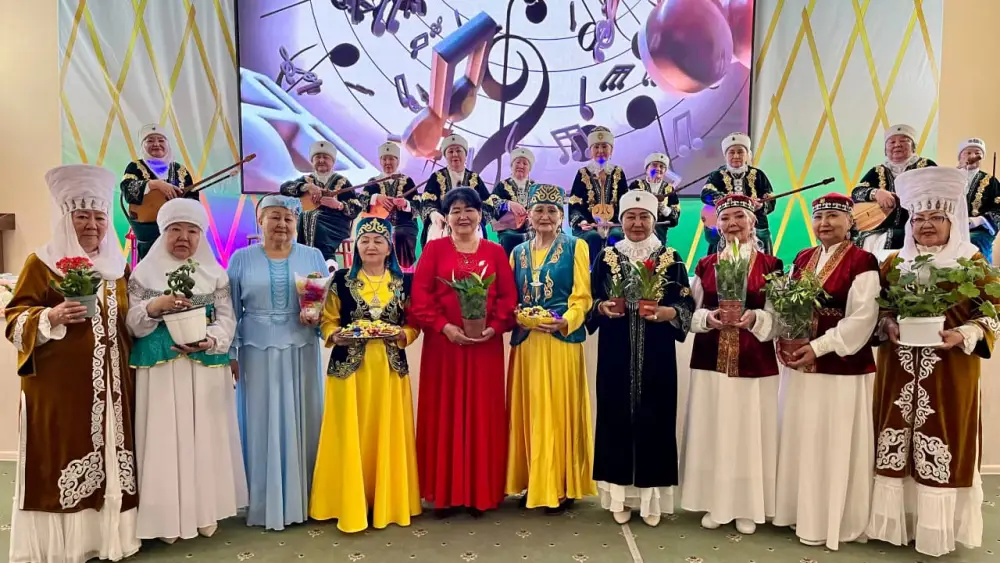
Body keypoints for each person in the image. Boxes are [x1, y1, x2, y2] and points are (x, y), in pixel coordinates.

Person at [4, 164, 138, 563]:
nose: (92, 225)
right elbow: (14, 319)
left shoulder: (117, 268)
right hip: (59, 387)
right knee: (62, 453)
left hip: (113, 389)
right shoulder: (42, 263)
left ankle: (112, 539)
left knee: (112, 456)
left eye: (99, 216)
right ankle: (68, 546)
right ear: (66, 218)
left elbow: (129, 320)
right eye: (82, 216)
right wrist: (50, 316)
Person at [868, 167, 998, 557]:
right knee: (893, 437)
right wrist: (887, 322)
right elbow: (881, 307)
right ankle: (898, 525)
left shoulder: (970, 260)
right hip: (898, 368)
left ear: (951, 220)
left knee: (946, 435)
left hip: (951, 369)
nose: (926, 225)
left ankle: (936, 529)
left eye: (936, 217)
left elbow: (992, 310)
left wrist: (965, 333)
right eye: (919, 218)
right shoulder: (895, 262)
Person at [127, 198, 247, 543]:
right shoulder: (143, 273)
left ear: (201, 236)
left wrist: (211, 340)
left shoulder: (215, 273)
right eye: (175, 230)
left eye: (192, 231)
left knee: (205, 436)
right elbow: (131, 322)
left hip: (205, 366)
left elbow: (227, 319)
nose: (184, 237)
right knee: (164, 437)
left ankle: (205, 511)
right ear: (163, 232)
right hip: (160, 369)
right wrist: (154, 307)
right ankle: (166, 518)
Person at [770, 193, 880, 550]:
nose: (825, 223)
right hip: (800, 365)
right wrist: (784, 338)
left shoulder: (863, 260)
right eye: (819, 217)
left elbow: (863, 318)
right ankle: (798, 512)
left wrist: (818, 347)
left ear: (850, 222)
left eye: (833, 216)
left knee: (832, 441)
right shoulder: (803, 257)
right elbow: (789, 306)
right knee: (801, 436)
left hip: (839, 367)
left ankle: (831, 520)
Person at [588, 190, 694, 526]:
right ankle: (618, 496)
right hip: (615, 350)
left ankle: (651, 501)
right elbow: (590, 298)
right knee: (614, 416)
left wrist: (668, 313)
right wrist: (601, 308)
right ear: (621, 221)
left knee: (656, 417)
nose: (637, 223)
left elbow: (686, 303)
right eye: (630, 217)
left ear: (654, 220)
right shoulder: (606, 256)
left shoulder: (671, 257)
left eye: (644, 217)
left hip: (658, 351)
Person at [310, 217, 422, 532]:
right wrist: (334, 335)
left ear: (389, 248)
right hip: (349, 371)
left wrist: (402, 334)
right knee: (348, 432)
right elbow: (328, 320)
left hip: (389, 370)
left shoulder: (404, 282)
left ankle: (387, 502)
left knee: (387, 432)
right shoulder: (341, 280)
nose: (371, 246)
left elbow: (413, 323)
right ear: (356, 246)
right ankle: (346, 503)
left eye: (378, 241)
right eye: (364, 240)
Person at [410, 187, 517, 517]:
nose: (463, 216)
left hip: (485, 348)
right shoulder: (434, 250)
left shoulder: (495, 252)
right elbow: (420, 298)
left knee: (483, 414)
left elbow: (508, 298)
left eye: (469, 209)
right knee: (443, 413)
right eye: (455, 210)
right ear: (446, 217)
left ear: (480, 214)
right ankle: (443, 494)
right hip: (444, 348)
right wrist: (444, 327)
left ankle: (479, 493)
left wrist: (494, 328)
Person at [680, 194, 783, 535]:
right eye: (725, 218)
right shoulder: (705, 265)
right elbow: (690, 312)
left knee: (748, 432)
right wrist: (707, 318)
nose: (732, 223)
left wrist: (755, 318)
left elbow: (779, 317)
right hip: (711, 359)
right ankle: (715, 501)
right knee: (714, 429)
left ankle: (747, 505)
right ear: (718, 225)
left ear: (753, 222)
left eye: (739, 216)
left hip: (754, 360)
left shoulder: (772, 265)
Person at [227, 195, 328, 531]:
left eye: (288, 218)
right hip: (255, 351)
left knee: (305, 416)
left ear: (296, 223)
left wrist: (317, 318)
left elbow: (323, 304)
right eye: (274, 217)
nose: (281, 224)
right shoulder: (241, 259)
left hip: (301, 347)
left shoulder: (312, 256)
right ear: (260, 221)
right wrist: (230, 353)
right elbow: (230, 311)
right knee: (261, 420)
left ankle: (308, 498)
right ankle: (263, 502)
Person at [506, 184, 595, 514]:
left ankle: (561, 484)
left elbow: (582, 296)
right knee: (530, 410)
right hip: (528, 343)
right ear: (529, 215)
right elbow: (511, 297)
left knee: (558, 410)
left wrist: (566, 321)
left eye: (552, 211)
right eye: (539, 210)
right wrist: (517, 314)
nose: (545, 216)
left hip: (560, 341)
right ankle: (533, 480)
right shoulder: (517, 252)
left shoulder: (576, 246)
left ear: (561, 217)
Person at [852, 124, 936, 257]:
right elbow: (856, 192)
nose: (897, 145)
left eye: (903, 141)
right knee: (866, 241)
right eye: (892, 142)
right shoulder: (878, 170)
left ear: (913, 147)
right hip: (881, 225)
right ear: (885, 150)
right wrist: (876, 193)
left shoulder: (926, 166)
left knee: (889, 240)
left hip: (918, 224)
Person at [120, 124, 196, 260]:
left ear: (168, 144)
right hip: (148, 231)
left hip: (177, 232)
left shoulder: (180, 170)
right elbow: (127, 190)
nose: (156, 144)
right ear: (143, 145)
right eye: (150, 140)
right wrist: (154, 184)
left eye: (161, 140)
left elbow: (194, 200)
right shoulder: (135, 167)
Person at [280, 140, 362, 263]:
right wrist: (306, 187)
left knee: (310, 217)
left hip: (336, 225)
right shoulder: (307, 180)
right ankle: (318, 262)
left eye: (325, 157)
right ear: (312, 161)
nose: (321, 160)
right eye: (317, 157)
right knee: (308, 216)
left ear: (332, 161)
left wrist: (339, 205)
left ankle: (322, 261)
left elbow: (356, 207)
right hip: (309, 221)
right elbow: (284, 188)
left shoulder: (342, 181)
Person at [701, 133, 776, 254]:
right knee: (718, 250)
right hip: (725, 227)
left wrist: (761, 205)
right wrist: (724, 199)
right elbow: (705, 193)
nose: (736, 156)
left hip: (755, 226)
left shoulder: (758, 174)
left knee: (763, 248)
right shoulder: (717, 175)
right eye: (731, 152)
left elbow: (770, 198)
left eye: (740, 152)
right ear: (725, 156)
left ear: (747, 154)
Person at [419, 134, 495, 245]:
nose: (455, 154)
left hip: (470, 223)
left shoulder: (474, 178)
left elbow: (488, 204)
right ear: (445, 155)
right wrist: (434, 214)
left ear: (465, 154)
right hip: (443, 223)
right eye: (450, 151)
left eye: (458, 151)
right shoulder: (436, 177)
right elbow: (427, 201)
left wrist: (475, 217)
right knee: (435, 233)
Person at [569, 126, 629, 261]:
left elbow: (625, 201)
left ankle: (615, 270)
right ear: (590, 151)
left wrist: (617, 221)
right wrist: (582, 221)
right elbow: (574, 202)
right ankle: (593, 270)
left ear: (611, 150)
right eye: (596, 147)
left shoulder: (618, 172)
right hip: (589, 225)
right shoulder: (582, 173)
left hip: (614, 224)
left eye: (604, 146)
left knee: (616, 237)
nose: (600, 151)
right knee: (592, 237)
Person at [362, 141, 420, 271]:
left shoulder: (407, 181)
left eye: (391, 159)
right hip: (377, 224)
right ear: (380, 161)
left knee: (400, 234)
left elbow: (417, 204)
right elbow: (360, 201)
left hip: (404, 224)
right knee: (375, 236)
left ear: (398, 161)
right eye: (384, 159)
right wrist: (376, 197)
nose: (388, 162)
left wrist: (405, 204)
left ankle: (403, 273)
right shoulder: (373, 182)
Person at [957, 137, 1000, 262]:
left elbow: (998, 208)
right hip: (951, 229)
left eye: (977, 153)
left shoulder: (991, 181)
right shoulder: (950, 178)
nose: (972, 156)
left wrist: (979, 220)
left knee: (974, 242)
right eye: (968, 153)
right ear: (960, 156)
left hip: (978, 231)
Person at [628, 152, 681, 244]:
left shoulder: (669, 190)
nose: (658, 169)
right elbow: (627, 207)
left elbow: (675, 219)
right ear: (647, 169)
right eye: (654, 165)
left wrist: (662, 207)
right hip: (636, 227)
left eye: (661, 167)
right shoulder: (636, 185)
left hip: (658, 230)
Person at [492, 147, 534, 256]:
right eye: (518, 162)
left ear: (529, 168)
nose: (521, 166)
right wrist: (508, 204)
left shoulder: (535, 187)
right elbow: (491, 204)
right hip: (509, 230)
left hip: (532, 228)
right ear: (512, 165)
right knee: (508, 239)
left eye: (525, 163)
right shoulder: (502, 185)